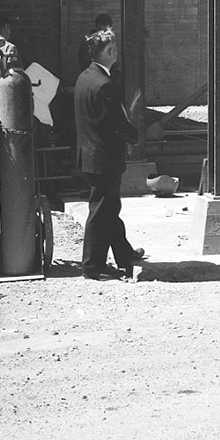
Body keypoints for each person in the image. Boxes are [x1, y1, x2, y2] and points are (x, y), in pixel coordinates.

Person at [74, 29, 144, 280]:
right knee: (101, 210)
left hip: (92, 155)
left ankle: (123, 254)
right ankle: (92, 265)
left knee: (108, 207)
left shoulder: (85, 78)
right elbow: (113, 123)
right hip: (104, 157)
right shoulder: (105, 85)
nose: (115, 52)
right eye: (111, 48)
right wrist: (133, 135)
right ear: (108, 53)